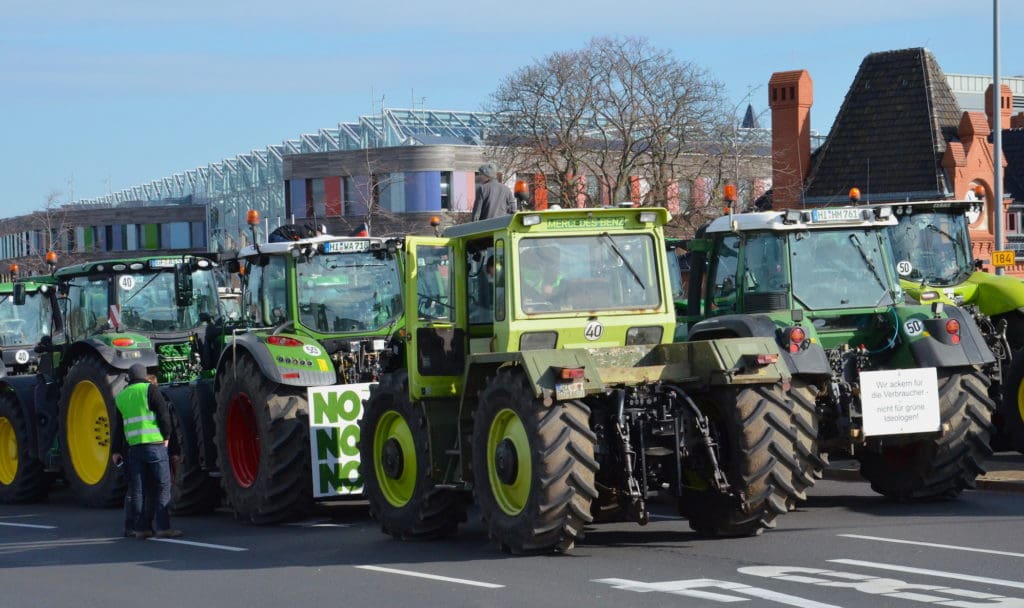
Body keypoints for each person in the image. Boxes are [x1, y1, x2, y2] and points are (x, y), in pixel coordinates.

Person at [111, 364, 182, 539]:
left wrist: (115, 450)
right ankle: (163, 527)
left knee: (138, 490)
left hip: (134, 449)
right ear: (144, 376)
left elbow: (118, 428)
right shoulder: (150, 390)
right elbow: (164, 416)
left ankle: (141, 528)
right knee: (162, 486)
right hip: (155, 445)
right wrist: (167, 437)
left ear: (129, 377)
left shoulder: (121, 397)